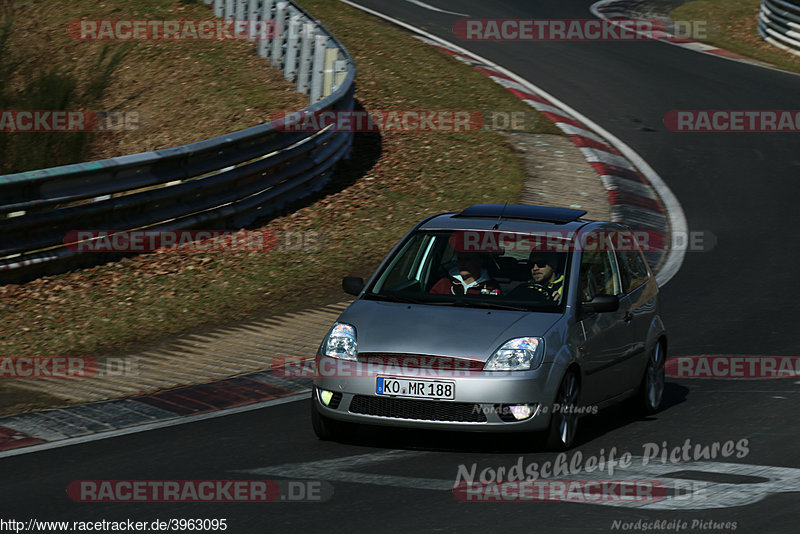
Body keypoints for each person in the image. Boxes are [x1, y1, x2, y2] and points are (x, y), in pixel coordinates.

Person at [429, 251, 502, 296]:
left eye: (467, 259)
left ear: (479, 262)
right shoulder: (444, 283)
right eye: (460, 259)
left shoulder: (491, 287)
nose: (462, 263)